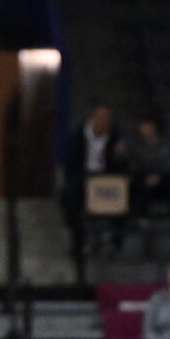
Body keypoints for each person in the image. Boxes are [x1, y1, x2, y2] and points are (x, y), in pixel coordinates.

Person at [60, 104, 126, 249]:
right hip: (83, 177)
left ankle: (115, 241)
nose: (105, 122)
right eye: (101, 118)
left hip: (106, 178)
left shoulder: (115, 136)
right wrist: (81, 178)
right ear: (93, 119)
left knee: (124, 194)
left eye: (107, 119)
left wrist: (119, 155)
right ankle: (78, 240)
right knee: (70, 194)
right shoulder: (79, 136)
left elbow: (120, 165)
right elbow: (70, 164)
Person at [127, 114, 170, 230]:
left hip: (163, 181)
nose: (142, 128)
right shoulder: (138, 145)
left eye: (145, 125)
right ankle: (140, 218)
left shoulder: (166, 144)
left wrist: (159, 176)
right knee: (137, 182)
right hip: (144, 179)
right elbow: (136, 164)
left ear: (153, 126)